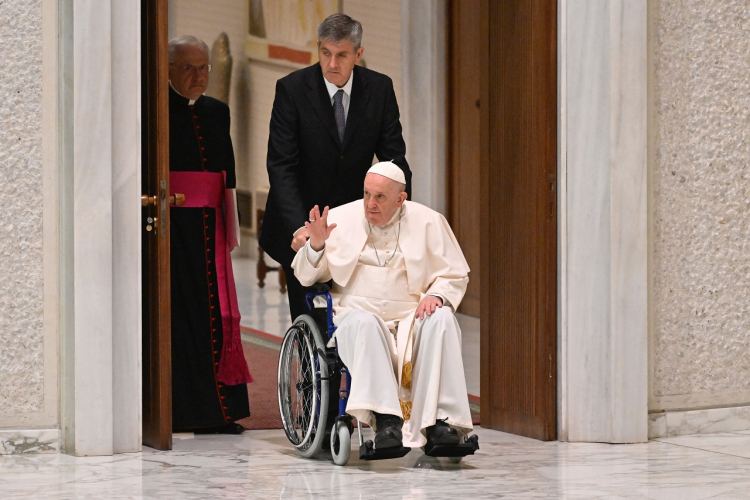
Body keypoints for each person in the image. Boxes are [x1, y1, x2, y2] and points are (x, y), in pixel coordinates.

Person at [292, 162, 473, 449]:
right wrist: (315, 245)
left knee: (443, 319)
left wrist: (436, 295)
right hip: (357, 312)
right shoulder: (341, 219)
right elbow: (307, 276)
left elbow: (453, 274)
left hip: (412, 315)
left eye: (380, 197)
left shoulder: (429, 221)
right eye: (366, 194)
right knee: (365, 323)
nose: (370, 204)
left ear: (401, 199)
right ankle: (387, 422)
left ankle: (441, 423)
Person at [260, 13, 412, 322]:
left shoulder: (379, 90)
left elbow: (394, 161)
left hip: (355, 225)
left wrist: (398, 212)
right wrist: (299, 227)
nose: (332, 63)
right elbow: (281, 166)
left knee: (357, 320)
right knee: (312, 322)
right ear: (318, 48)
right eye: (325, 53)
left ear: (358, 53)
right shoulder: (292, 90)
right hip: (302, 222)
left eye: (341, 55)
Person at [168, 35, 252, 434]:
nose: (199, 76)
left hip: (210, 228)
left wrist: (230, 226)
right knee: (181, 317)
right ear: (168, 70)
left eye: (204, 68)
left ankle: (218, 412)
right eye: (189, 68)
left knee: (217, 316)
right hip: (172, 230)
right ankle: (180, 410)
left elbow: (227, 175)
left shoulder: (217, 111)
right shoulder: (154, 110)